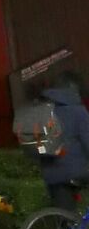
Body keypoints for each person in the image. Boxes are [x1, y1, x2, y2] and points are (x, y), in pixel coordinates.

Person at [37, 72, 89, 220]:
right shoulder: (77, 111)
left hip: (51, 173)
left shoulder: (43, 111)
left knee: (67, 218)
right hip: (76, 171)